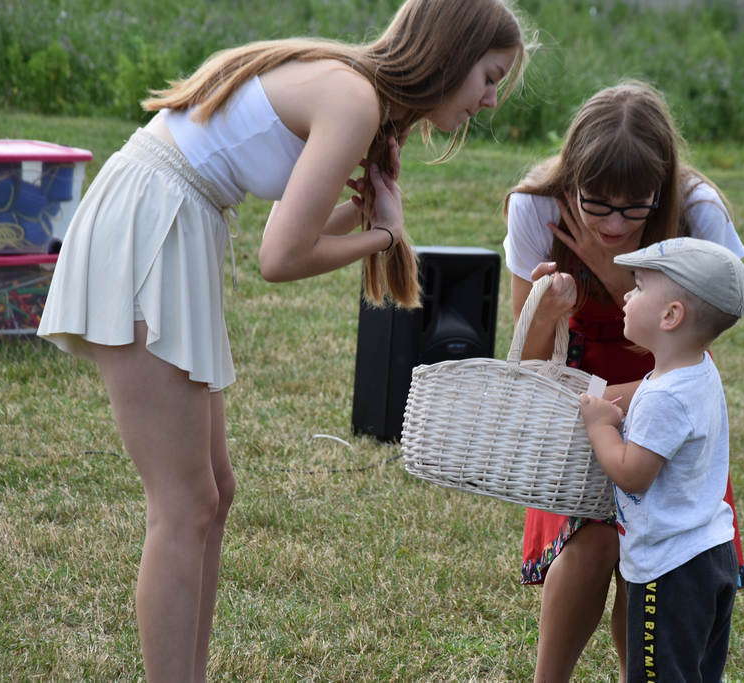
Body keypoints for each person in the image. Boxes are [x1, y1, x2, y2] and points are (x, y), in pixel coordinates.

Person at [37, 1, 529, 679]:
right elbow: (281, 256)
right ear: (452, 54)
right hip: (150, 222)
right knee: (183, 505)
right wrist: (384, 233)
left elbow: (296, 226)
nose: (492, 99)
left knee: (214, 492)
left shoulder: (355, 92)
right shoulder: (353, 97)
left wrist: (364, 213)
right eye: (490, 76)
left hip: (174, 218)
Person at [502, 80, 744, 682]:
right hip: (575, 391)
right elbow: (530, 364)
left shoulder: (697, 212)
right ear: (573, 178)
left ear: (661, 188)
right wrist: (549, 312)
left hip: (666, 390)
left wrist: (614, 277)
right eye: (597, 203)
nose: (614, 222)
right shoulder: (537, 206)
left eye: (633, 206)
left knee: (659, 561)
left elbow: (701, 344)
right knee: (593, 546)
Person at [580, 236, 744, 682]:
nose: (628, 296)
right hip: (709, 556)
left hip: (670, 572)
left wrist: (600, 427)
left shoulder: (664, 399)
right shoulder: (695, 373)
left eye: (637, 287)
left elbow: (633, 475)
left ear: (671, 316)